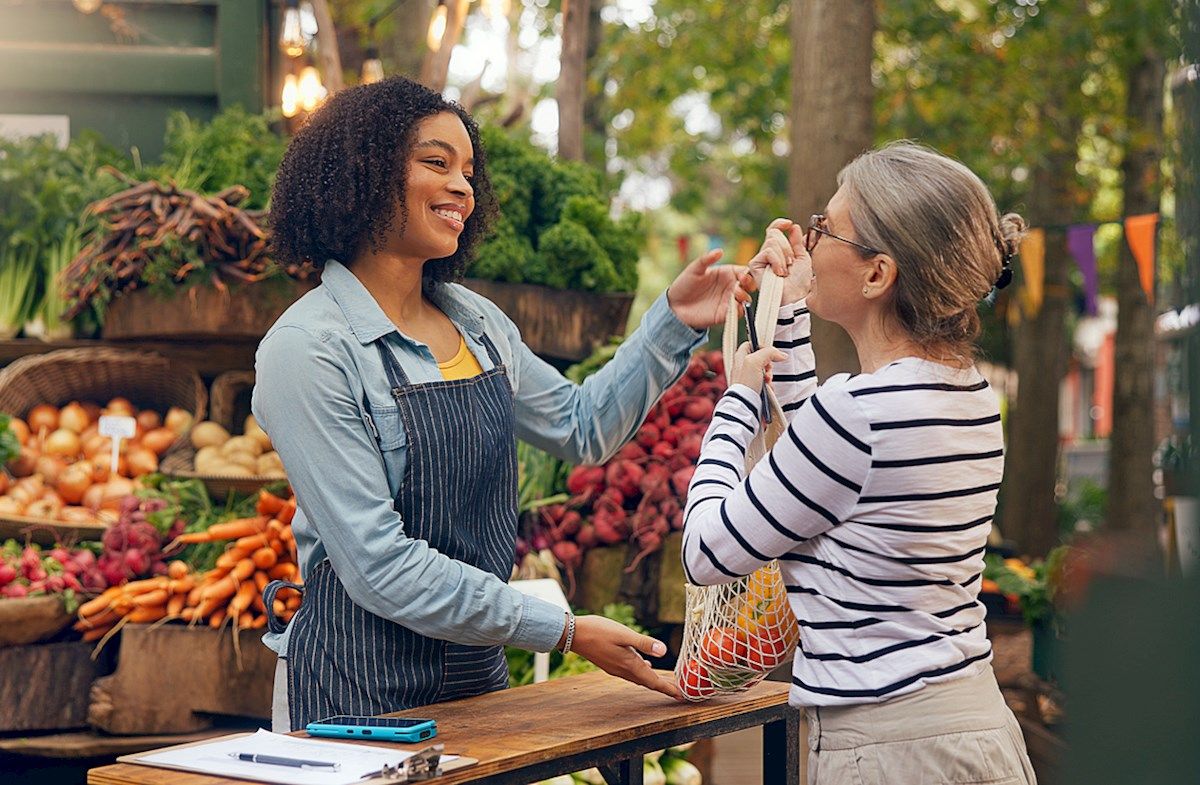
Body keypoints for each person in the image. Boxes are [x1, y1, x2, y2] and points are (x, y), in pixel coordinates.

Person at [254, 77, 745, 730]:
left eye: (468, 171)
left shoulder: (479, 325)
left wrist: (674, 321)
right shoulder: (307, 348)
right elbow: (378, 566)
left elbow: (582, 425)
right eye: (436, 162)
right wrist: (563, 629)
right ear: (363, 172)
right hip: (357, 693)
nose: (463, 187)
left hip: (477, 676)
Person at [682, 141, 1038, 783]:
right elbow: (823, 459)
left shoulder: (857, 414)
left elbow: (707, 553)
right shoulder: (969, 396)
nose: (810, 241)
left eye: (826, 229)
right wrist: (786, 310)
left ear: (877, 274)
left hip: (887, 748)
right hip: (972, 727)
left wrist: (737, 400)